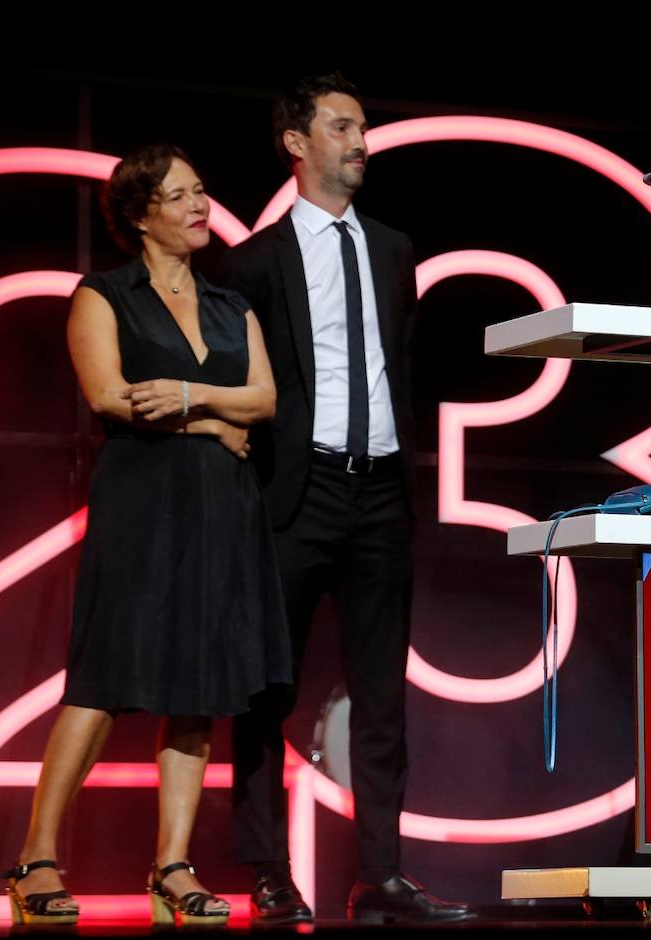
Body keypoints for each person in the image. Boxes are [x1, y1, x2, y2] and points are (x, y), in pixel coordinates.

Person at [1, 143, 290, 928]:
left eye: (202, 191)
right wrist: (211, 424)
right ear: (140, 214)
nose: (201, 206)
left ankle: (172, 865)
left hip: (223, 510)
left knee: (198, 691)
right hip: (142, 502)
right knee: (103, 680)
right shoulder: (105, 295)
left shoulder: (233, 305)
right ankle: (36, 858)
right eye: (181, 196)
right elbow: (110, 395)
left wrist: (193, 398)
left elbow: (263, 400)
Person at [217, 73, 470, 925]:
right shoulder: (254, 262)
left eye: (363, 128)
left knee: (381, 695)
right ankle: (267, 873)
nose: (362, 142)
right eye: (343, 128)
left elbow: (397, 362)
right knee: (264, 689)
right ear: (297, 142)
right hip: (298, 491)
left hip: (379, 493)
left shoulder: (394, 249)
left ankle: (382, 877)